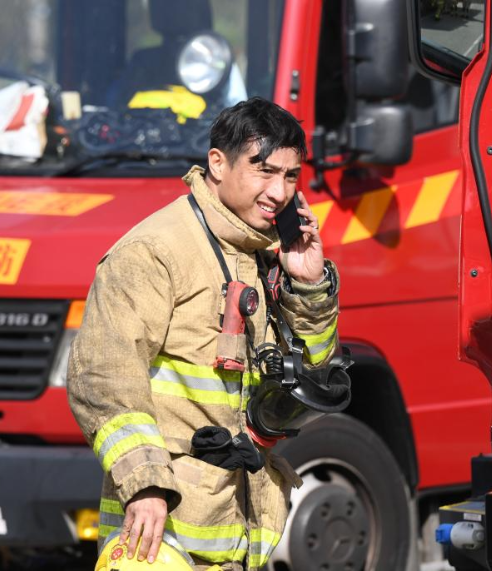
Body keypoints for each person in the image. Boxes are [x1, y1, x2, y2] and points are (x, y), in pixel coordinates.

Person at [67, 97, 341, 571]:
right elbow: (103, 379)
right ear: (217, 163)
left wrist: (308, 284)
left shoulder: (262, 253)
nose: (279, 192)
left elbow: (313, 376)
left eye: (291, 176)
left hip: (235, 535)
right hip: (157, 539)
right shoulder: (153, 252)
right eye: (264, 170)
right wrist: (146, 485)